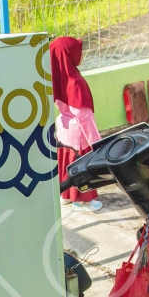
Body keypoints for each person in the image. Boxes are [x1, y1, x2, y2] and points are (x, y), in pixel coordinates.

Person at [52, 36, 104, 213]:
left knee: (66, 164)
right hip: (79, 135)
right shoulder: (75, 82)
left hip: (64, 131)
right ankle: (83, 201)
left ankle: (66, 195)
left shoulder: (58, 76)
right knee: (81, 167)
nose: (81, 56)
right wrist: (97, 143)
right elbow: (84, 117)